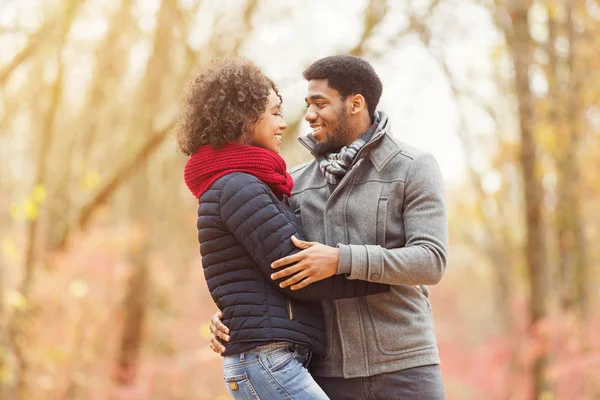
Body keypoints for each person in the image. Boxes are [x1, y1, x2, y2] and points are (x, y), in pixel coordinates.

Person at [209, 55, 449, 399]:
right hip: (326, 372)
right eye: (307, 104)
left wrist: (340, 259)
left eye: (320, 103)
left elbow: (431, 261)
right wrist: (233, 311)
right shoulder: (292, 182)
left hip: (405, 365)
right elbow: (273, 263)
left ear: (356, 104)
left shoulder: (413, 167)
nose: (308, 115)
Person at [177, 57, 389, 400]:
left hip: (270, 360)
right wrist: (385, 274)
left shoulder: (248, 185)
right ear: (243, 117)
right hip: (266, 361)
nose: (283, 124)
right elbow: (296, 270)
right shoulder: (238, 187)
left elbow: (251, 277)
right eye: (275, 112)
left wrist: (236, 311)